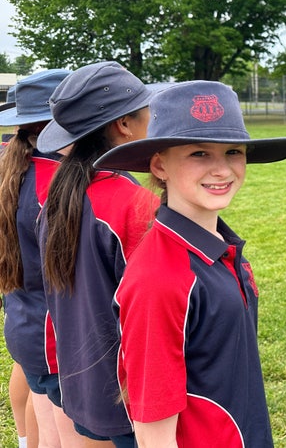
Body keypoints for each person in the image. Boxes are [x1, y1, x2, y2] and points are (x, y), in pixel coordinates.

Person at [94, 81, 286, 447]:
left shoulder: (218, 244)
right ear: (160, 165)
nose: (222, 169)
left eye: (233, 151)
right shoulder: (159, 278)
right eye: (199, 154)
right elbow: (153, 428)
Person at [36, 62, 160, 448]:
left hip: (81, 386)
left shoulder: (57, 197)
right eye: (146, 109)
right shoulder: (134, 205)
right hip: (128, 398)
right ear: (124, 124)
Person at [0, 68, 83, 448]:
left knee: (43, 414)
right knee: (64, 434)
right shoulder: (60, 183)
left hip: (25, 324)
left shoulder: (12, 167)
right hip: (57, 339)